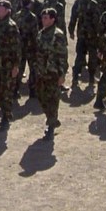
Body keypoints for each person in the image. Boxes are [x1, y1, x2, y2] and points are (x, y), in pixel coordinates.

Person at [35, 8, 68, 140]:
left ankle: (51, 126)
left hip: (53, 73)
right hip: (41, 72)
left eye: (46, 18)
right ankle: (52, 119)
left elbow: (62, 56)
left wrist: (62, 74)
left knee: (53, 100)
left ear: (53, 19)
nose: (43, 20)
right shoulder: (41, 33)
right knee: (41, 97)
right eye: (42, 18)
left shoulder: (57, 35)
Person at [0, 0, 22, 129]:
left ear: (7, 11)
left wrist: (16, 66)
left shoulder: (11, 26)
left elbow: (17, 47)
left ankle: (6, 116)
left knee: (6, 92)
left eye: (1, 10)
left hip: (7, 65)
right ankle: (5, 112)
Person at [68, 0, 101, 88]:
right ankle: (91, 80)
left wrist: (71, 31)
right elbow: (97, 21)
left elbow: (73, 18)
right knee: (92, 58)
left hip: (81, 34)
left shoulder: (78, 3)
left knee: (79, 57)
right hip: (92, 35)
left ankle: (75, 79)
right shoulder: (94, 4)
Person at [14, 0, 39, 98]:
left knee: (19, 68)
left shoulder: (16, 15)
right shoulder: (32, 17)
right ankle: (33, 91)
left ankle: (15, 90)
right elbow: (35, 33)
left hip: (19, 46)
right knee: (33, 68)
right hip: (30, 46)